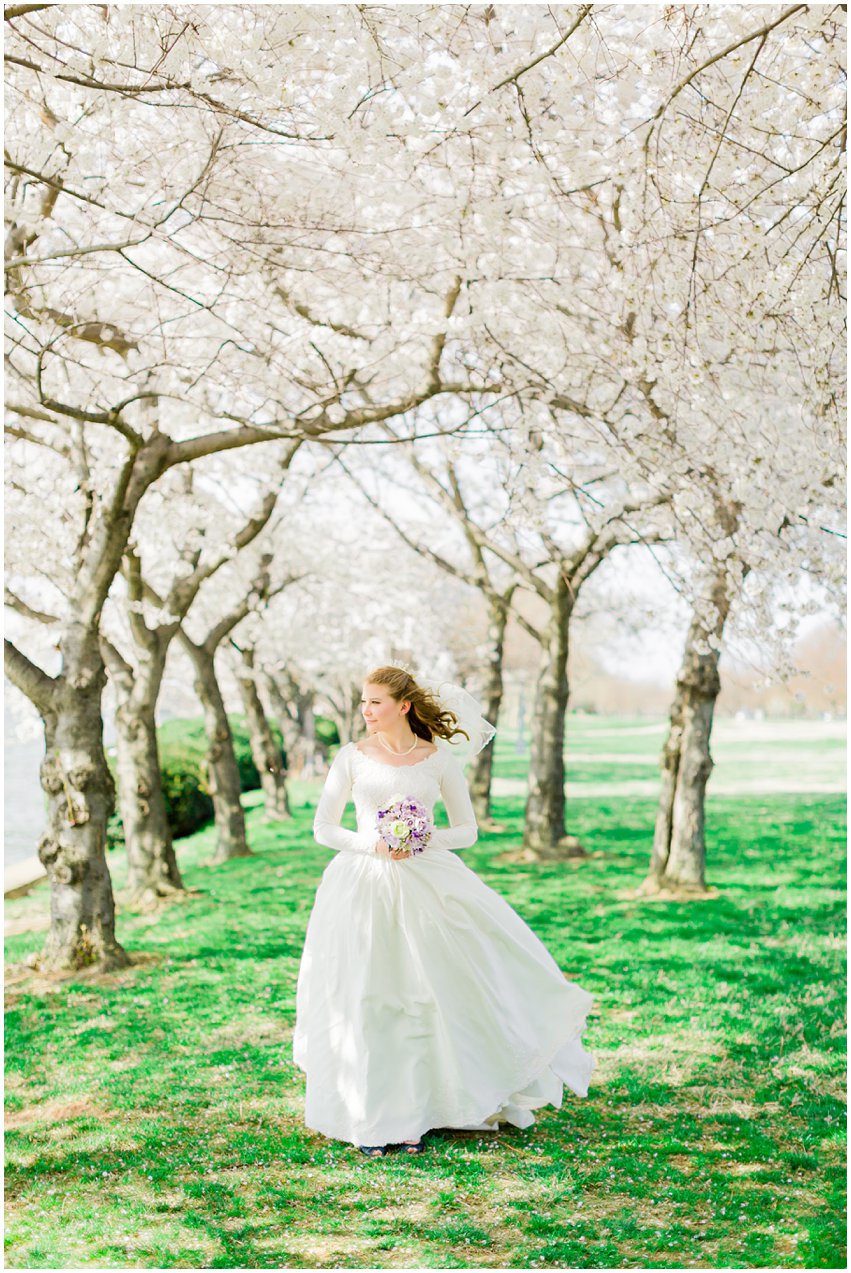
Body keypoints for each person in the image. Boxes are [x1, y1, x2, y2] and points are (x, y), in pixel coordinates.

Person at [292, 666, 594, 1157]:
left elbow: (467, 830)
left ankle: (417, 1113)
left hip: (427, 884)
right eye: (363, 702)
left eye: (375, 702)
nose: (365, 711)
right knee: (369, 995)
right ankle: (371, 1114)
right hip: (363, 885)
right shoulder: (351, 757)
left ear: (403, 705)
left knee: (422, 995)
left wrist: (421, 837)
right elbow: (324, 827)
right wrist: (372, 843)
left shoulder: (437, 760)